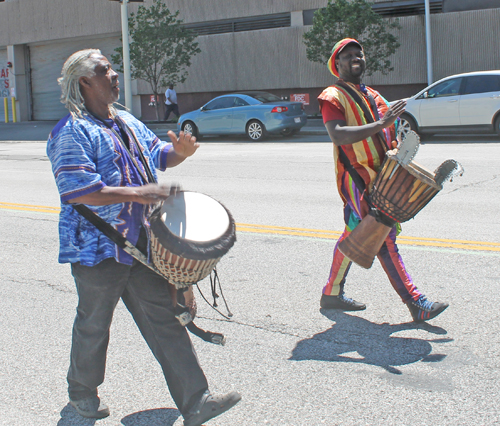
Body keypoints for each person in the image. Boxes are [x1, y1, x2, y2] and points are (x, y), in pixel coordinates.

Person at [46, 49, 241, 425]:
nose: (115, 75)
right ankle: (82, 394)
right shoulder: (71, 132)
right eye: (105, 71)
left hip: (139, 245)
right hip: (96, 250)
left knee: (164, 320)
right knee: (93, 325)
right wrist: (139, 193)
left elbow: (158, 154)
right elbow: (79, 192)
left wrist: (180, 153)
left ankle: (197, 401)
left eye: (112, 68)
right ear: (85, 81)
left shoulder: (127, 121)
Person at [317, 38, 449, 323]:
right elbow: (338, 135)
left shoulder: (373, 95)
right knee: (382, 235)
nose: (355, 58)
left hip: (382, 175)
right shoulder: (332, 96)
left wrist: (399, 138)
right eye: (348, 55)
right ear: (336, 64)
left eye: (359, 53)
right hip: (357, 177)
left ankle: (331, 293)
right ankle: (415, 301)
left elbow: (388, 131)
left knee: (356, 234)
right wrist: (381, 124)